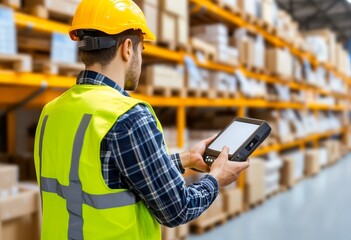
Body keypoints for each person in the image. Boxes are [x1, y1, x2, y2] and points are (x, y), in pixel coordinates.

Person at [33, 0, 249, 239]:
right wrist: (216, 179)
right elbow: (178, 209)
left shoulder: (51, 111)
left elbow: (105, 173)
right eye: (141, 49)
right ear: (127, 48)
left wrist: (184, 159)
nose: (140, 58)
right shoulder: (128, 116)